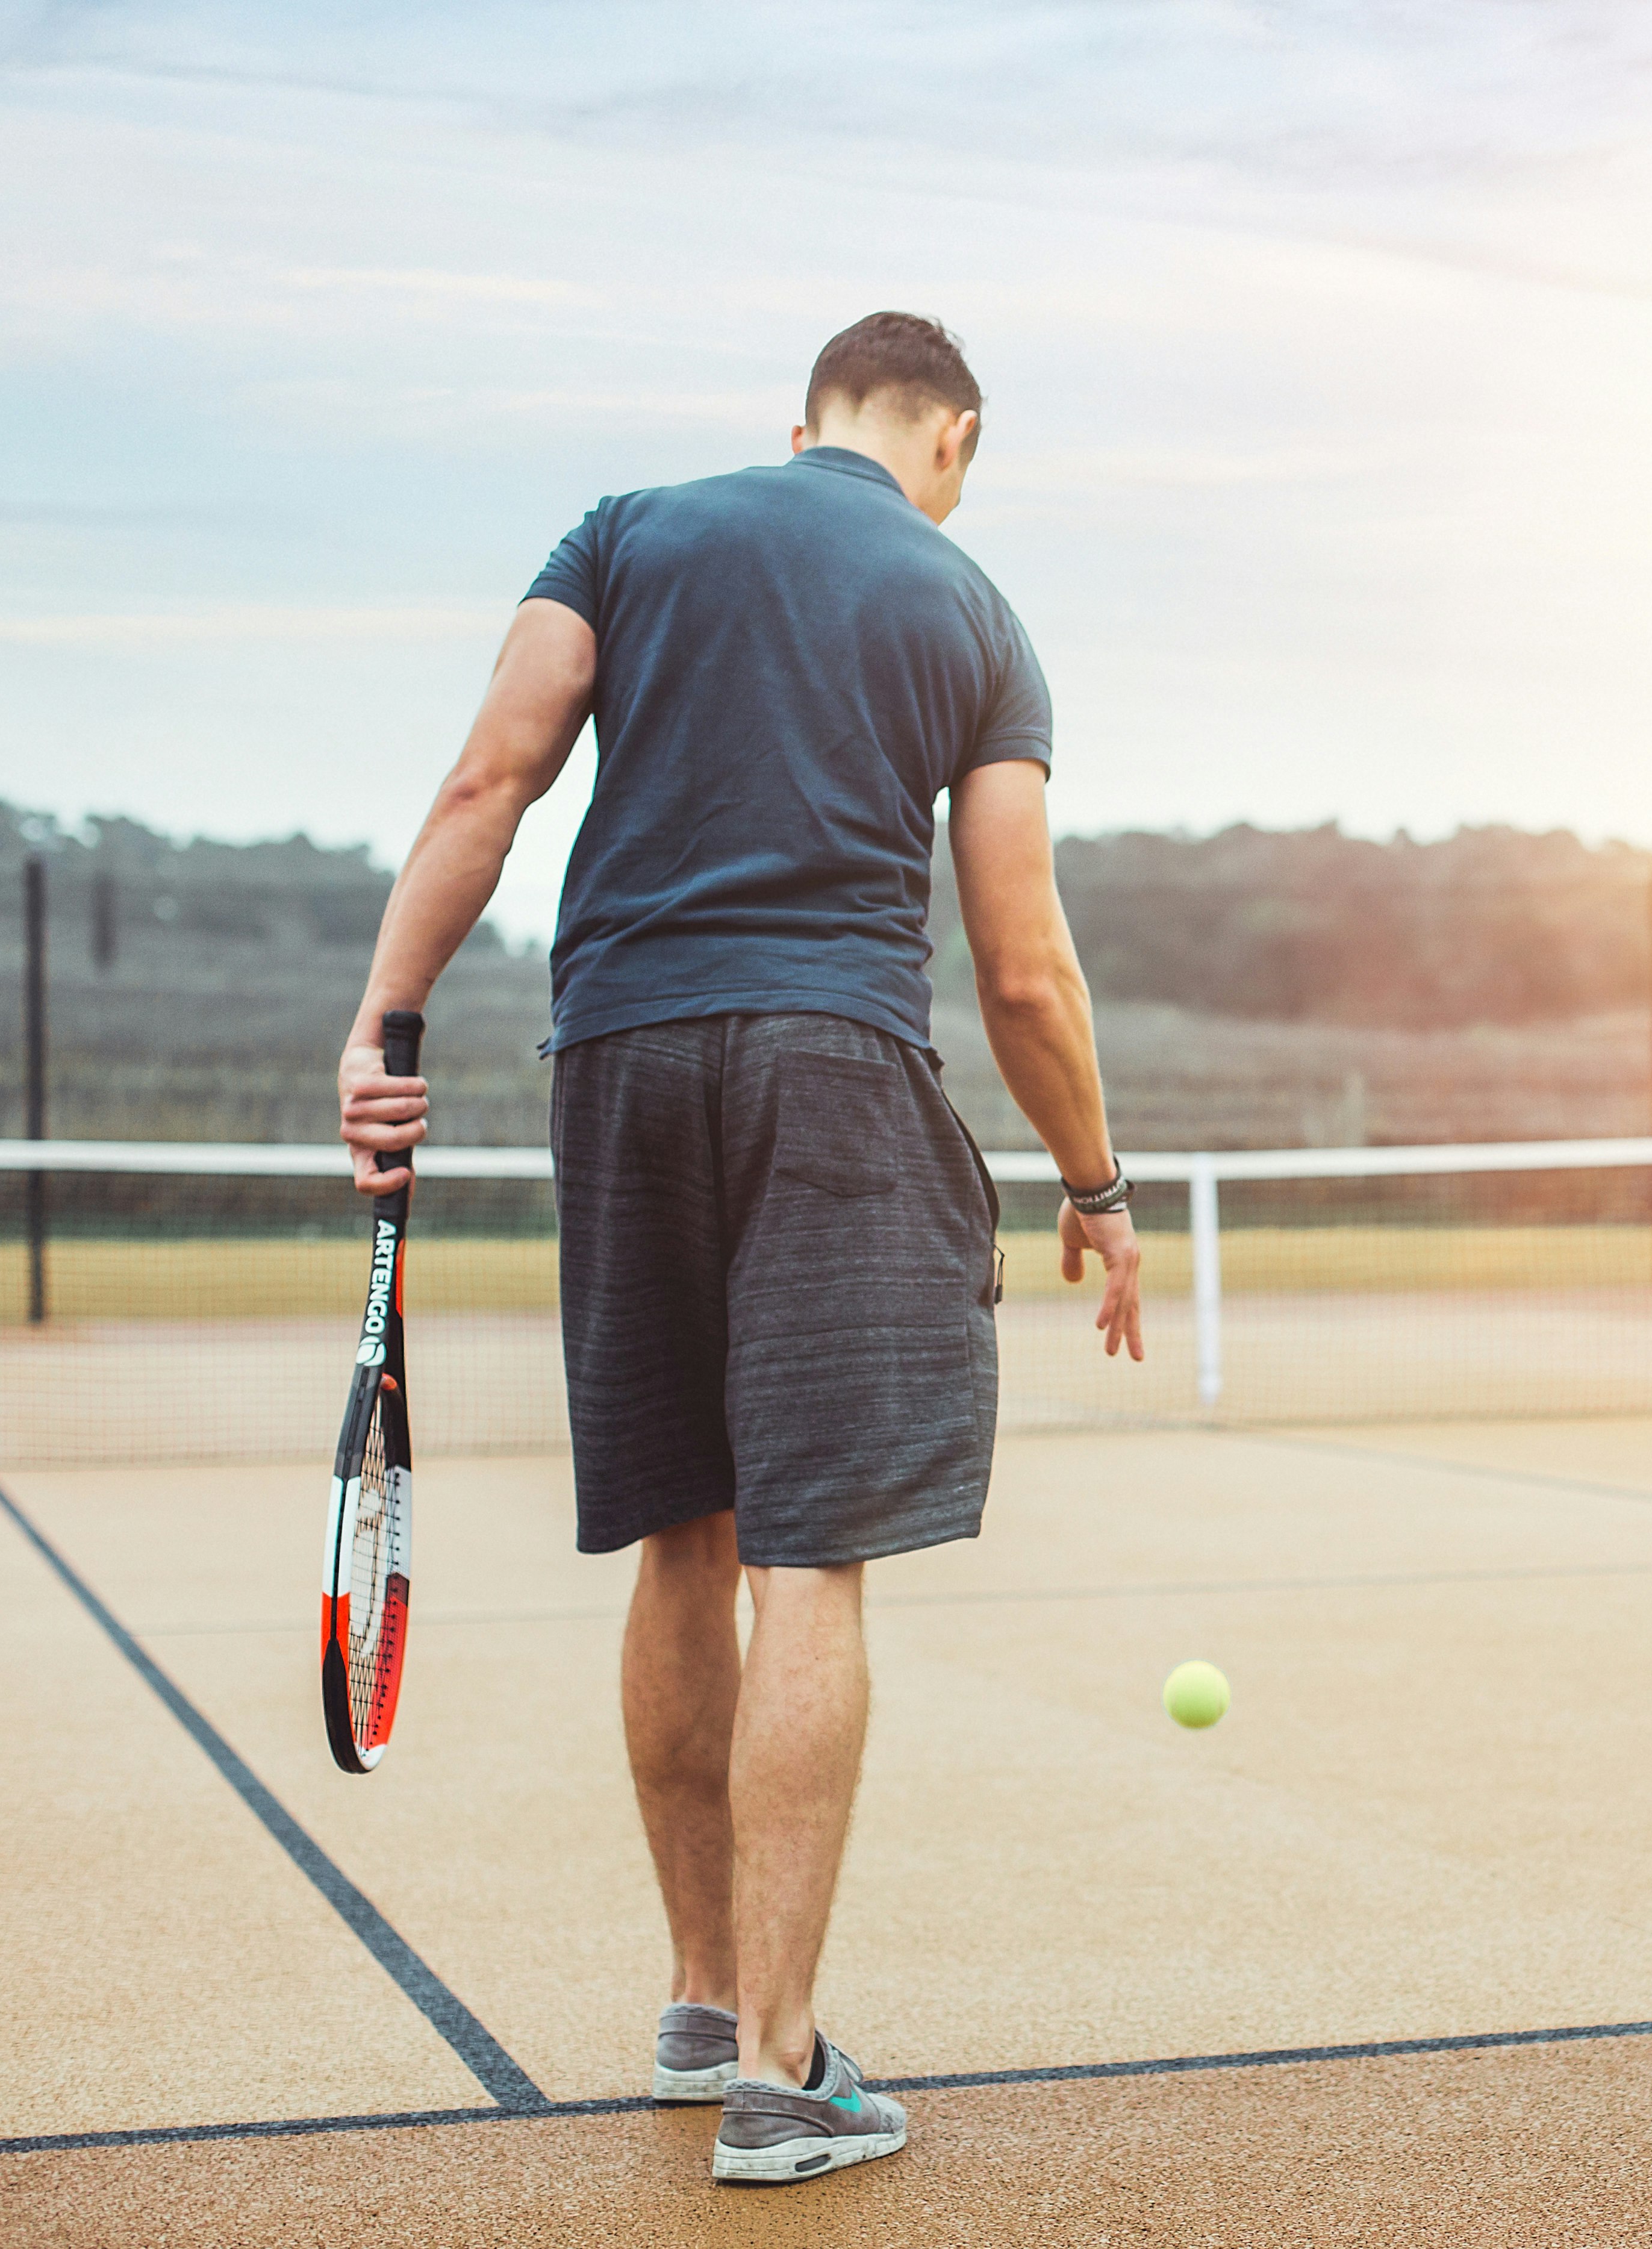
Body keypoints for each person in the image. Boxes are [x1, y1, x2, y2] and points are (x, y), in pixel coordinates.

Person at [334, 311, 1141, 2186]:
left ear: (799, 429)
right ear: (951, 439)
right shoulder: (969, 605)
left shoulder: (619, 530)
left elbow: (487, 785)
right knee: (814, 1560)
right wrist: (1094, 1188)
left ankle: (705, 1996)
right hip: (830, 1061)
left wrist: (384, 1026)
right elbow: (1020, 960)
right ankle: (783, 2072)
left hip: (613, 1055)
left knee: (683, 1532)